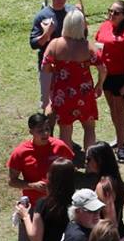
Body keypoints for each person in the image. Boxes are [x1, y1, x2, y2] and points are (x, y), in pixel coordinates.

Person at [42, 8, 100, 149]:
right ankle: (90, 159)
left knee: (65, 129)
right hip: (84, 93)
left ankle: (66, 160)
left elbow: (45, 67)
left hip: (62, 93)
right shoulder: (88, 46)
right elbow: (103, 68)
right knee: (89, 128)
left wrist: (55, 69)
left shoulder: (55, 44)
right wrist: (100, 84)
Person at [95, 0, 124, 161]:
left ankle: (121, 147)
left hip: (121, 77)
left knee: (120, 111)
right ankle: (121, 138)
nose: (112, 14)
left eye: (116, 12)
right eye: (110, 11)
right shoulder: (104, 26)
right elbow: (98, 47)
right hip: (106, 74)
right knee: (113, 109)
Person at [7, 112, 75, 196]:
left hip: (58, 198)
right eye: (40, 131)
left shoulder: (60, 146)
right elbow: (12, 181)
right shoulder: (21, 152)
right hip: (34, 200)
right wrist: (32, 185)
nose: (45, 133)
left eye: (47, 129)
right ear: (31, 132)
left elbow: (70, 169)